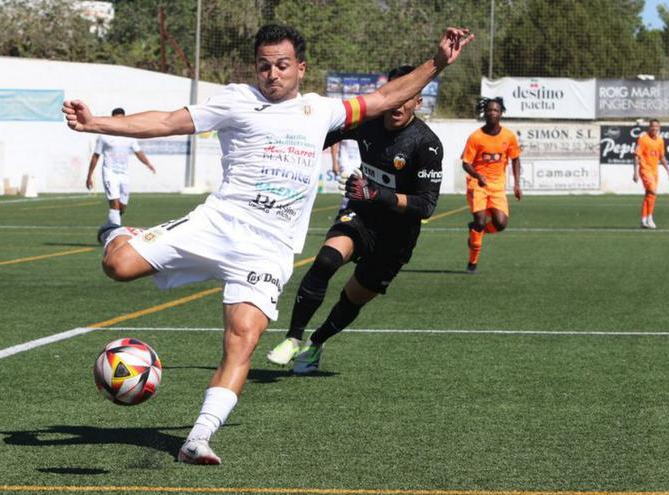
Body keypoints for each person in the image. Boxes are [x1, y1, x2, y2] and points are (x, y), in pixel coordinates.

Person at [64, 24, 473, 465]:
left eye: (281, 65)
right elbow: (167, 122)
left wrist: (438, 63)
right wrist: (97, 123)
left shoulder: (322, 110)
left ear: (300, 68)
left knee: (243, 338)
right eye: (264, 65)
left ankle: (198, 438)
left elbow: (384, 98)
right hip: (219, 223)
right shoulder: (236, 100)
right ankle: (116, 231)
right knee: (119, 265)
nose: (272, 74)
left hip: (268, 248)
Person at [266, 65, 444, 374]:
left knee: (353, 297)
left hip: (397, 237)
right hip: (361, 215)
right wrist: (289, 152)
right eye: (396, 96)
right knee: (325, 261)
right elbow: (321, 135)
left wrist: (378, 195)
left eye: (409, 97)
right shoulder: (368, 122)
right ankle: (293, 338)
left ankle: (316, 343)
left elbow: (425, 205)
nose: (399, 105)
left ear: (418, 102)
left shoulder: (426, 144)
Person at [461, 97, 521, 274]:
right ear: (484, 113)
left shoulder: (508, 136)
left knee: (500, 223)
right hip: (477, 184)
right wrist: (477, 175)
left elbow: (516, 159)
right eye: (489, 110)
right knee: (479, 220)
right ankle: (472, 263)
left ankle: (475, 232)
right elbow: (466, 163)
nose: (492, 113)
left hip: (497, 186)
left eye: (495, 110)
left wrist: (517, 184)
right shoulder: (476, 137)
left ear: (501, 113)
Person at [87, 107, 157, 234]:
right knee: (114, 205)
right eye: (117, 119)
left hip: (124, 174)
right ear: (112, 119)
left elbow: (138, 152)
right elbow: (96, 155)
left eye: (122, 119)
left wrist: (148, 164)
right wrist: (89, 175)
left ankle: (108, 226)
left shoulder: (129, 135)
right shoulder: (104, 136)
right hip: (110, 173)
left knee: (122, 207)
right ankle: (113, 234)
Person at [634, 119, 669, 229]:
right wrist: (635, 172)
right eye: (653, 126)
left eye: (657, 127)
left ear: (659, 128)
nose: (655, 129)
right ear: (649, 127)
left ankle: (643, 220)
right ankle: (650, 218)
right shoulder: (643, 139)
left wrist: (668, 171)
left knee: (650, 195)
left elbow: (662, 157)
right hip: (645, 170)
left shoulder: (660, 141)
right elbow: (637, 156)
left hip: (654, 171)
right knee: (653, 191)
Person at [329, 138, 361, 211]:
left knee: (358, 190)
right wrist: (334, 163)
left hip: (359, 161)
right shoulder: (344, 127)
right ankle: (343, 211)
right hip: (345, 162)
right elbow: (334, 143)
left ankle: (351, 211)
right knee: (349, 188)